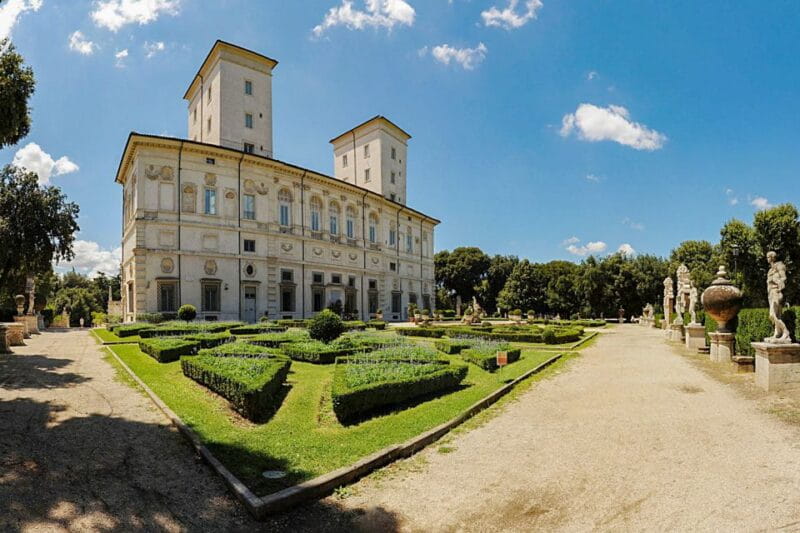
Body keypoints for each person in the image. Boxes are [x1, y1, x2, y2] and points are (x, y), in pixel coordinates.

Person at [766, 251, 791, 342]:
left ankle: (786, 332)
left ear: (772, 257)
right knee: (777, 315)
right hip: (771, 293)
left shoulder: (779, 265)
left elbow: (784, 278)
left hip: (776, 291)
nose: (767, 259)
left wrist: (775, 280)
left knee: (772, 315)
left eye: (768, 257)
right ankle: (777, 333)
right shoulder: (770, 269)